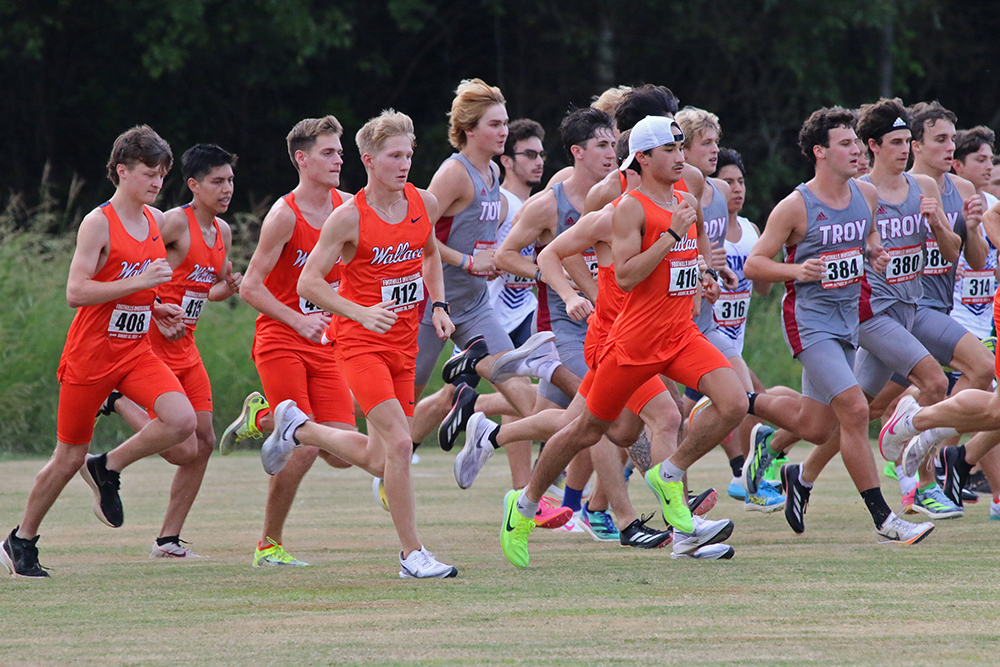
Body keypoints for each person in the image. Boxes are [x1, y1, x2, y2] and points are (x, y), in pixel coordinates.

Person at [500, 115, 745, 567]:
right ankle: (525, 502)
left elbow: (684, 265)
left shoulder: (685, 200)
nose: (679, 157)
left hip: (679, 336)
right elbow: (629, 276)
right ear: (644, 159)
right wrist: (669, 234)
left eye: (679, 148)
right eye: (669, 150)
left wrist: (702, 281)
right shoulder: (626, 208)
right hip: (631, 343)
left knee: (734, 403)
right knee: (587, 430)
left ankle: (669, 477)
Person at [1, 126, 196, 577]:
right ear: (121, 171)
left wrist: (157, 306)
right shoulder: (98, 221)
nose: (156, 182)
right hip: (89, 358)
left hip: (134, 353)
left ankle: (105, 468)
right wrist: (142, 284)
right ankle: (21, 540)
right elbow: (77, 291)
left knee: (182, 421)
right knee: (67, 457)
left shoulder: (154, 221)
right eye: (149, 173)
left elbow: (131, 294)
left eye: (162, 174)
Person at [274, 109, 459, 578]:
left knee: (380, 457)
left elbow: (430, 253)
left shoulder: (424, 202)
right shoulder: (348, 217)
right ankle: (411, 555)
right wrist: (358, 312)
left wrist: (439, 306)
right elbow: (308, 284)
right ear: (369, 160)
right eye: (395, 156)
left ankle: (299, 430)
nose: (404, 164)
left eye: (409, 154)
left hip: (404, 345)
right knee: (399, 445)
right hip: (359, 343)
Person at [743, 107, 934, 544]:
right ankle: (886, 519)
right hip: (809, 321)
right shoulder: (795, 205)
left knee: (815, 426)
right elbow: (756, 263)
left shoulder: (864, 197)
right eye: (845, 144)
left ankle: (743, 402)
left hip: (848, 320)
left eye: (855, 142)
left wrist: (874, 252)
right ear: (820, 153)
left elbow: (867, 239)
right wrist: (797, 272)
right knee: (855, 409)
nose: (856, 151)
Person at [101, 144, 244, 557]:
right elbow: (131, 264)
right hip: (152, 345)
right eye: (217, 181)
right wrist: (153, 305)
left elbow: (205, 292)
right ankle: (117, 399)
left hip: (187, 347)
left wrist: (226, 288)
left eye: (230, 180)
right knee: (181, 449)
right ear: (194, 185)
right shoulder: (172, 223)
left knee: (205, 442)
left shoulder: (224, 232)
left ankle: (167, 540)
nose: (226, 189)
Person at [235, 116, 358, 567]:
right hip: (281, 339)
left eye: (340, 151)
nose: (338, 159)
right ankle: (269, 545)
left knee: (344, 452)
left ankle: (262, 416)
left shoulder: (349, 207)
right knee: (303, 446)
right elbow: (250, 286)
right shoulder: (284, 215)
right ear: (302, 159)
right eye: (328, 152)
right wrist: (297, 319)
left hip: (326, 343)